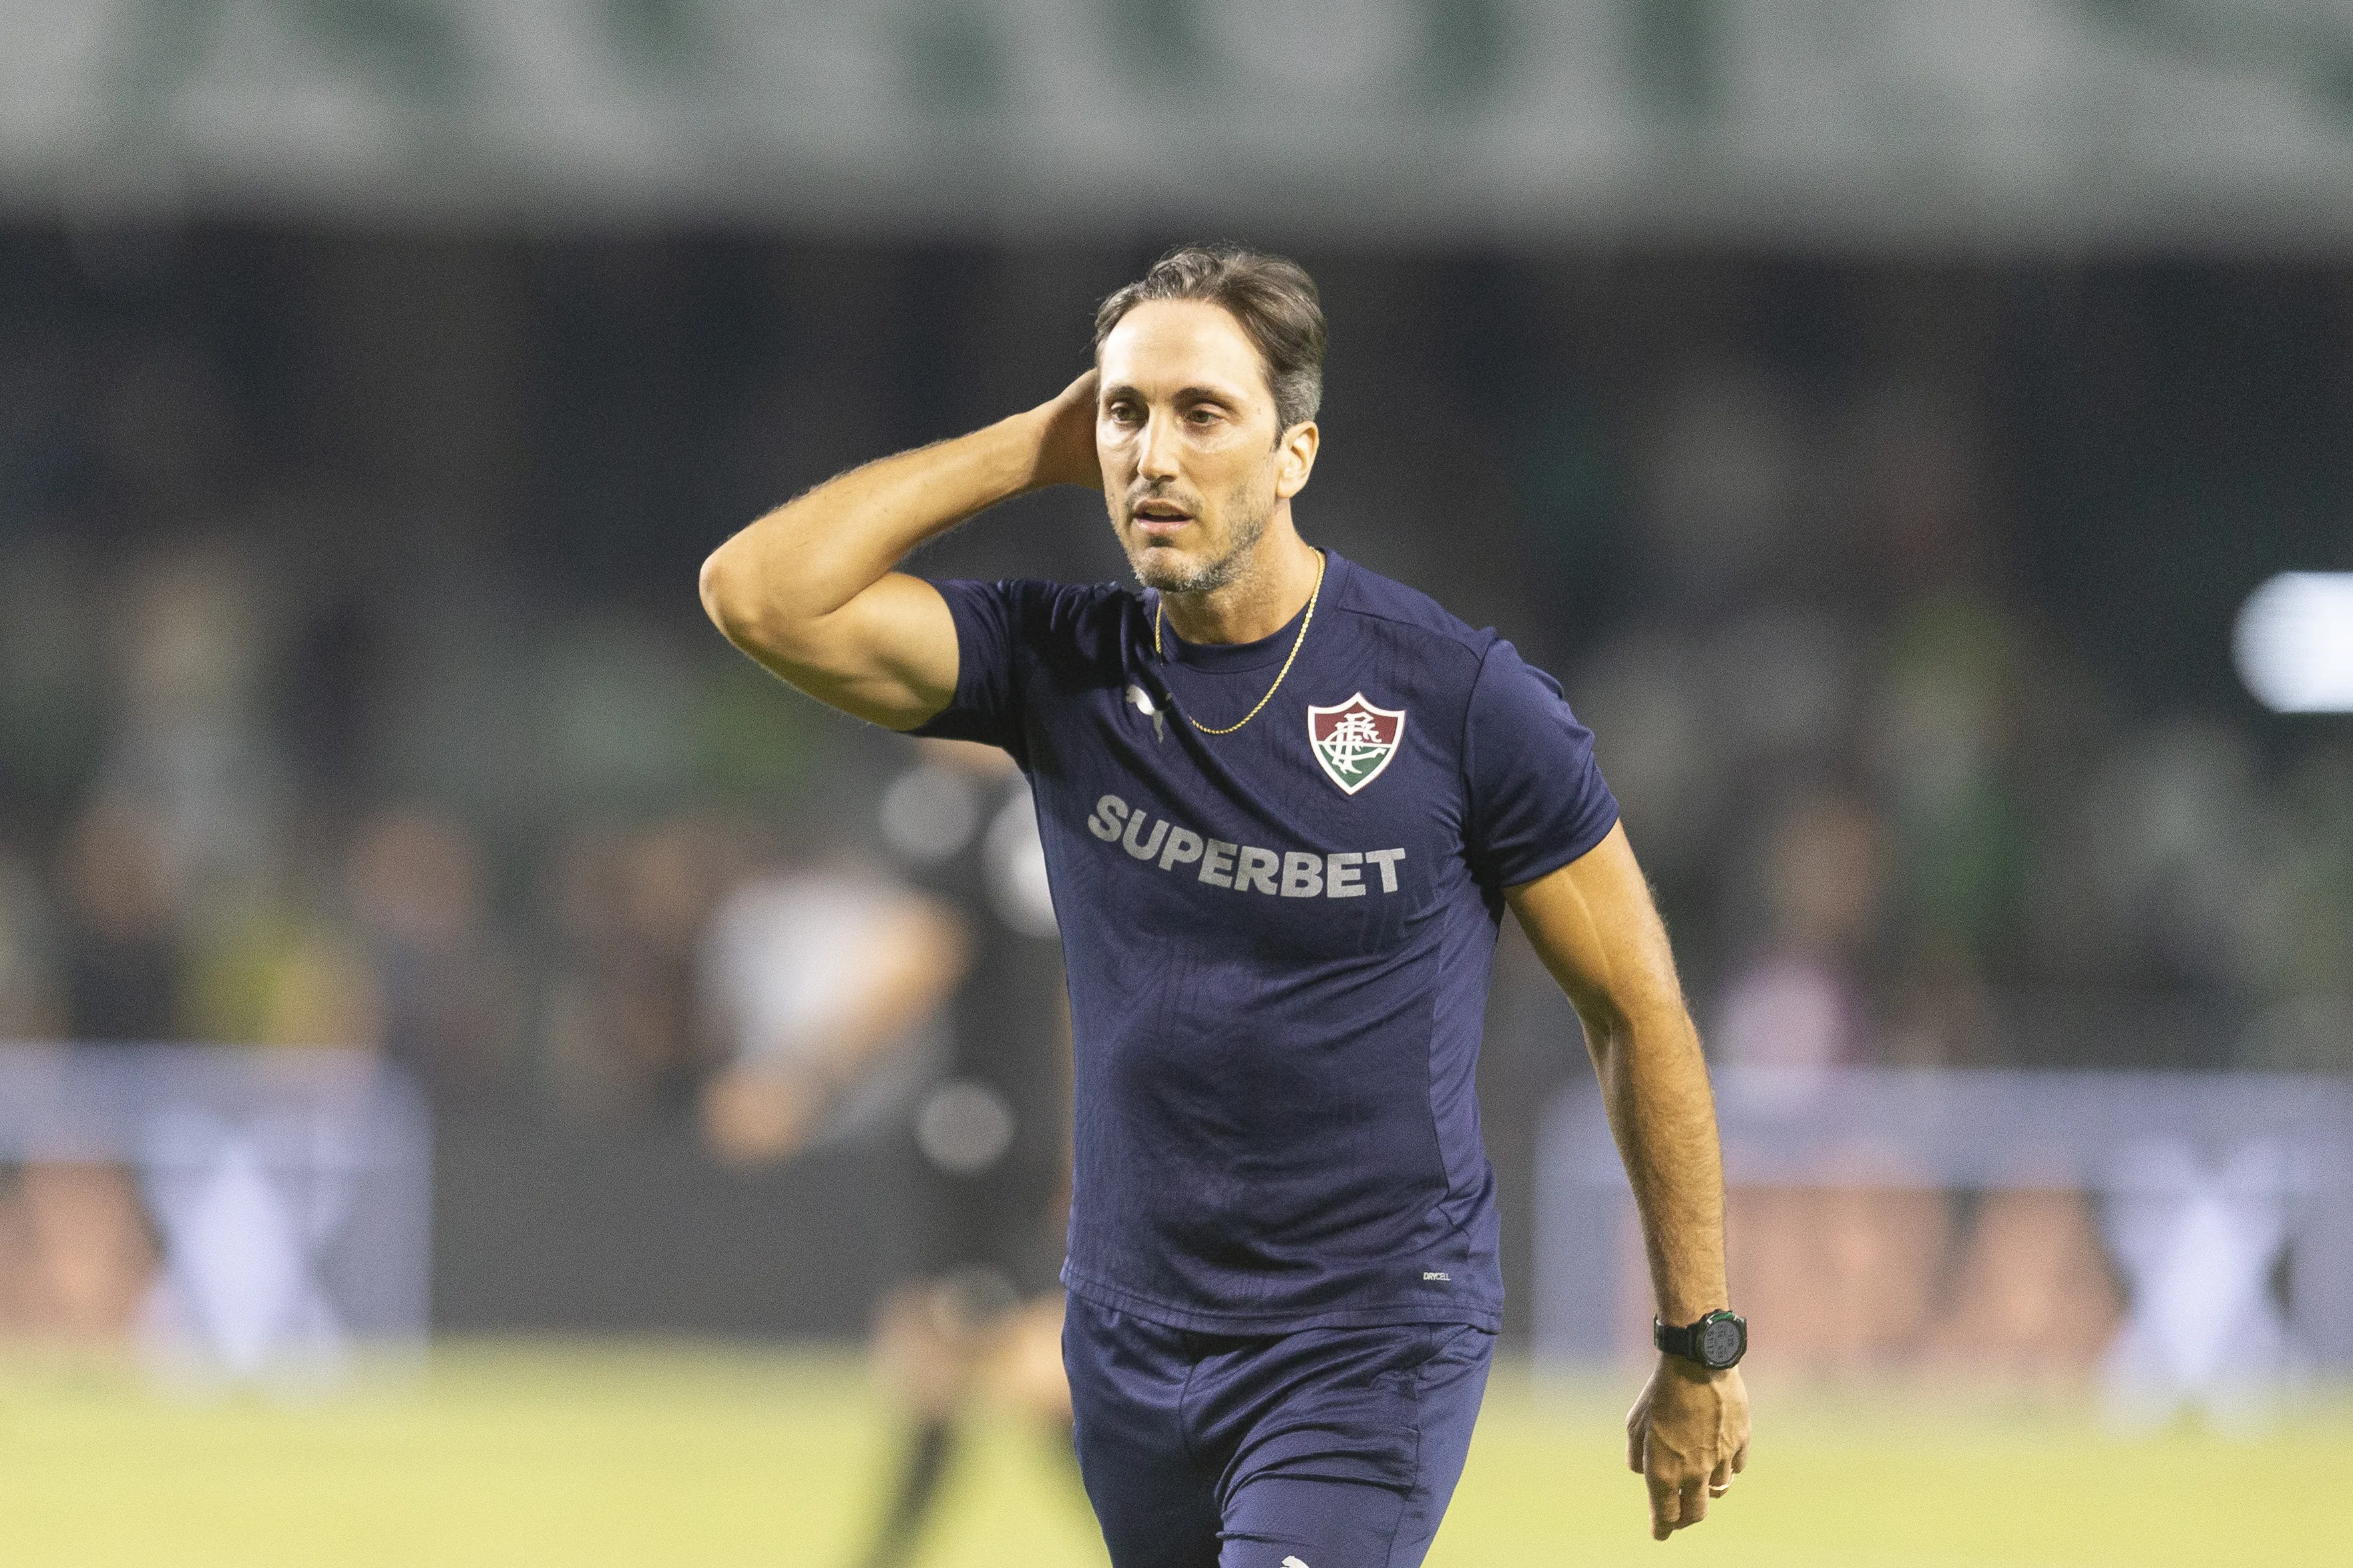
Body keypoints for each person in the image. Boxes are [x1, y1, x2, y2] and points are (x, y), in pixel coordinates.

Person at [700, 244, 1749, 1565]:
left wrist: (1699, 1341)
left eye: (1203, 414)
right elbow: (758, 594)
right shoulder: (1058, 667)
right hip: (1128, 1338)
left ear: (1294, 452)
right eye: (1125, 414)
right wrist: (1027, 448)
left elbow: (1635, 1006)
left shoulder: (1461, 702)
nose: (1155, 454)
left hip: (1363, 1338)